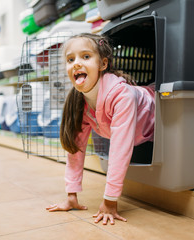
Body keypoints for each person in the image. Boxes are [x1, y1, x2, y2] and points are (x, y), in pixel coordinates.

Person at [46, 33, 155, 225]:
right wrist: (71, 195)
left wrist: (110, 201)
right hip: (140, 131)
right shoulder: (79, 102)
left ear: (103, 64)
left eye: (86, 57)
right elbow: (75, 149)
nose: (76, 63)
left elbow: (119, 150)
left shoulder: (123, 96)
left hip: (159, 111)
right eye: (70, 59)